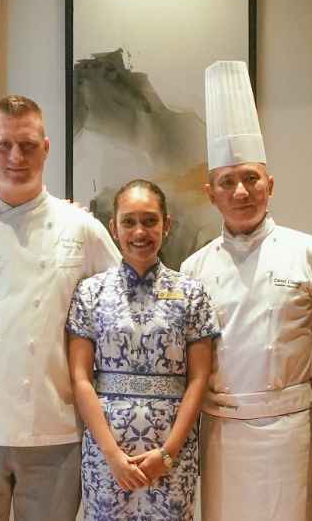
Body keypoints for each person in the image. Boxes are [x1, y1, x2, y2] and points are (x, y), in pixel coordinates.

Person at [0, 94, 121, 520]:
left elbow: (121, 314)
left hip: (57, 425)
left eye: (28, 145)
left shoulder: (82, 229)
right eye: (5, 145)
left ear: (46, 148)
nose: (16, 156)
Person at [180, 61, 312, 521]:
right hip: (222, 427)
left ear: (270, 183)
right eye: (228, 182)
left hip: (290, 425)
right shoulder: (194, 267)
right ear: (211, 193)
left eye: (251, 178)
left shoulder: (311, 253)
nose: (241, 191)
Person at [67, 179, 218, 520]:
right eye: (129, 221)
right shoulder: (90, 293)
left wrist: (168, 453)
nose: (140, 231)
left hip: (171, 452)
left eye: (150, 221)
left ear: (167, 226)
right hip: (107, 453)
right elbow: (80, 378)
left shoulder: (192, 294)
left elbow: (198, 380)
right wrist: (112, 456)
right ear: (114, 228)